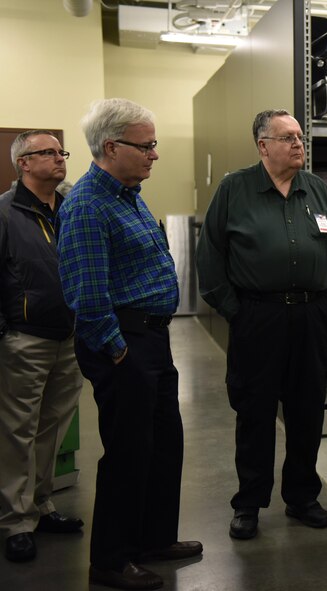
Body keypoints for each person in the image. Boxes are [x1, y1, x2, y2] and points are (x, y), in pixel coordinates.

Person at [57, 98, 202, 590]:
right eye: (147, 146)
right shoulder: (86, 205)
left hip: (152, 339)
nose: (154, 154)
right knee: (127, 452)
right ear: (111, 146)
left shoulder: (127, 193)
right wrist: (120, 352)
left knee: (163, 445)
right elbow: (88, 299)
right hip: (123, 342)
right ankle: (111, 560)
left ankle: (153, 538)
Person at [196, 109, 327, 541]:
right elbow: (210, 255)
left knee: (307, 411)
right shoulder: (235, 189)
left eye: (300, 136)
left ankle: (302, 497)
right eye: (287, 138)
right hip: (257, 316)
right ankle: (249, 502)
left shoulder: (316, 189)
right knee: (255, 412)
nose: (299, 144)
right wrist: (236, 311)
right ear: (263, 146)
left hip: (312, 315)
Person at [0, 131, 84, 563]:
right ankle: (15, 521)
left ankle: (42, 505)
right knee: (17, 432)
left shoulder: (70, 209)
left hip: (69, 339)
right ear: (24, 163)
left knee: (51, 429)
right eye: (47, 153)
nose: (59, 158)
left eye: (60, 152)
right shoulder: (5, 213)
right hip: (25, 341)